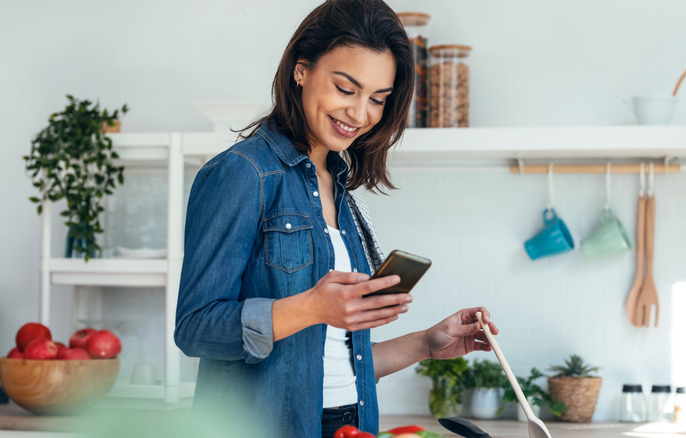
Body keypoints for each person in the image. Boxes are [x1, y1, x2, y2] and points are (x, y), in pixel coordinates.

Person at [173, 0, 498, 436]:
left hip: (351, 426)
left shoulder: (341, 187)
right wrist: (309, 307)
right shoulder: (242, 174)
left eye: (378, 99)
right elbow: (195, 328)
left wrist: (425, 343)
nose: (360, 114)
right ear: (301, 70)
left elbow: (333, 364)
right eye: (346, 89)